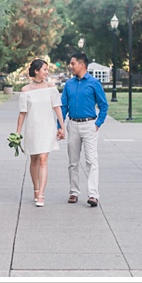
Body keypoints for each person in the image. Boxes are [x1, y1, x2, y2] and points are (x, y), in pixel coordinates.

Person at [15, 59, 65, 207]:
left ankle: (41, 194)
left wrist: (62, 126)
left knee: (43, 159)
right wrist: (17, 133)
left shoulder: (51, 87)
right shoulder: (26, 91)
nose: (47, 72)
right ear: (36, 71)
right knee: (34, 160)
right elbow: (22, 113)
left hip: (48, 128)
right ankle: (36, 189)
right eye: (44, 69)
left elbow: (57, 107)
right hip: (32, 129)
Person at [60, 51, 108, 207]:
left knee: (91, 161)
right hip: (72, 125)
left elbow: (103, 106)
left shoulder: (94, 83)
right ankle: (74, 192)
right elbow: (63, 107)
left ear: (82, 65)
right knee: (73, 162)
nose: (71, 66)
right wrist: (59, 126)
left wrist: (97, 124)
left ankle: (93, 194)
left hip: (89, 125)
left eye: (73, 63)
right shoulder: (69, 84)